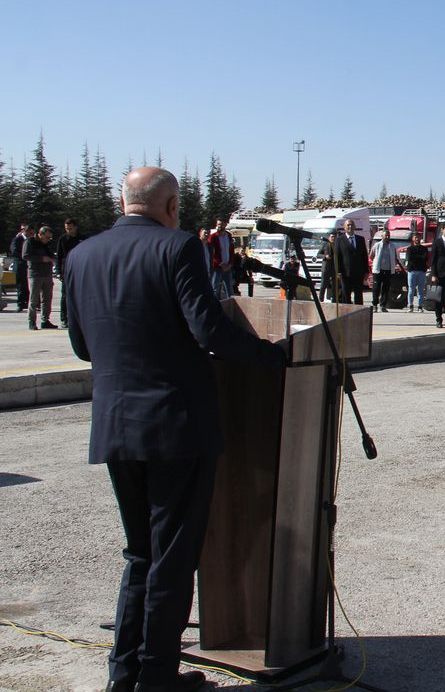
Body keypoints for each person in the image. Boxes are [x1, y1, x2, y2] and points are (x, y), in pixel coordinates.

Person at [64, 167, 285, 692]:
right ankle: (158, 677)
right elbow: (209, 330)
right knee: (171, 558)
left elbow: (81, 345)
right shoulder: (177, 247)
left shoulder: (81, 255)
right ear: (171, 206)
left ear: (123, 201)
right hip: (175, 426)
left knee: (140, 553)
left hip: (116, 425)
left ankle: (125, 674)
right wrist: (271, 355)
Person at [23, 226, 57, 330]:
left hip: (47, 273)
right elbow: (25, 256)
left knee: (47, 299)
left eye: (50, 238)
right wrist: (41, 259)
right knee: (34, 300)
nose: (48, 239)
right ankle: (32, 321)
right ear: (40, 234)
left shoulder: (47, 244)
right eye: (47, 237)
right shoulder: (30, 242)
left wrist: (52, 258)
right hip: (35, 274)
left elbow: (51, 254)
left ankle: (45, 320)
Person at [54, 218, 82, 328]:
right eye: (66, 228)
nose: (69, 230)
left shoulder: (82, 238)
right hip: (67, 269)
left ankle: (79, 318)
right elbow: (59, 256)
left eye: (70, 228)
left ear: (75, 227)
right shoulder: (63, 239)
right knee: (65, 295)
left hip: (79, 269)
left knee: (80, 295)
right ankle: (64, 319)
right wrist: (58, 271)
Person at [333, 219, 368, 305]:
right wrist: (338, 271)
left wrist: (366, 271)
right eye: (348, 225)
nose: (350, 226)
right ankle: (347, 311)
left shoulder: (360, 239)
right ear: (344, 227)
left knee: (358, 295)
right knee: (346, 294)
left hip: (358, 272)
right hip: (346, 273)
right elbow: (337, 257)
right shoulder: (339, 240)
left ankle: (359, 310)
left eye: (352, 225)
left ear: (355, 227)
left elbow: (364, 256)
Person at [368, 229, 398, 312]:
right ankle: (375, 305)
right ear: (382, 236)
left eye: (388, 235)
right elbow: (371, 256)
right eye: (386, 235)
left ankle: (383, 306)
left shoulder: (392, 246)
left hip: (388, 270)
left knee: (385, 289)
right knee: (376, 288)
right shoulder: (377, 245)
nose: (387, 237)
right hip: (378, 270)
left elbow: (395, 257)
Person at [207, 217, 234, 300]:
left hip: (228, 267)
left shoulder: (228, 236)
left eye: (221, 224)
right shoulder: (213, 237)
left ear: (225, 225)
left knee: (229, 289)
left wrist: (230, 264)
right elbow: (211, 253)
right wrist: (221, 264)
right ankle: (213, 305)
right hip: (217, 267)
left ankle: (230, 305)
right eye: (218, 224)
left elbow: (231, 250)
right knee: (215, 288)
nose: (219, 226)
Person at [403, 232, 430, 312]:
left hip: (421, 271)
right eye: (415, 237)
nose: (417, 239)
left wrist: (416, 258)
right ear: (412, 239)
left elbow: (425, 258)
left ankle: (420, 307)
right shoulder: (409, 249)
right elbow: (409, 258)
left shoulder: (424, 249)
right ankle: (410, 306)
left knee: (421, 290)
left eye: (418, 237)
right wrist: (419, 258)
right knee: (411, 290)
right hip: (412, 271)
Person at [9, 222, 32, 311]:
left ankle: (30, 303)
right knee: (21, 286)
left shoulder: (32, 240)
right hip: (20, 266)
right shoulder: (17, 239)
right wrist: (25, 257)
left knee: (30, 286)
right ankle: (21, 304)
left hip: (30, 267)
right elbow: (14, 251)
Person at [317, 232, 337, 302]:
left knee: (335, 285)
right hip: (326, 268)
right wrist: (325, 256)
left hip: (334, 268)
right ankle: (320, 299)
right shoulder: (325, 244)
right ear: (329, 237)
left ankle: (334, 299)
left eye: (334, 237)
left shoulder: (337, 245)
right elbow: (318, 254)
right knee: (323, 284)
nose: (333, 238)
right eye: (332, 237)